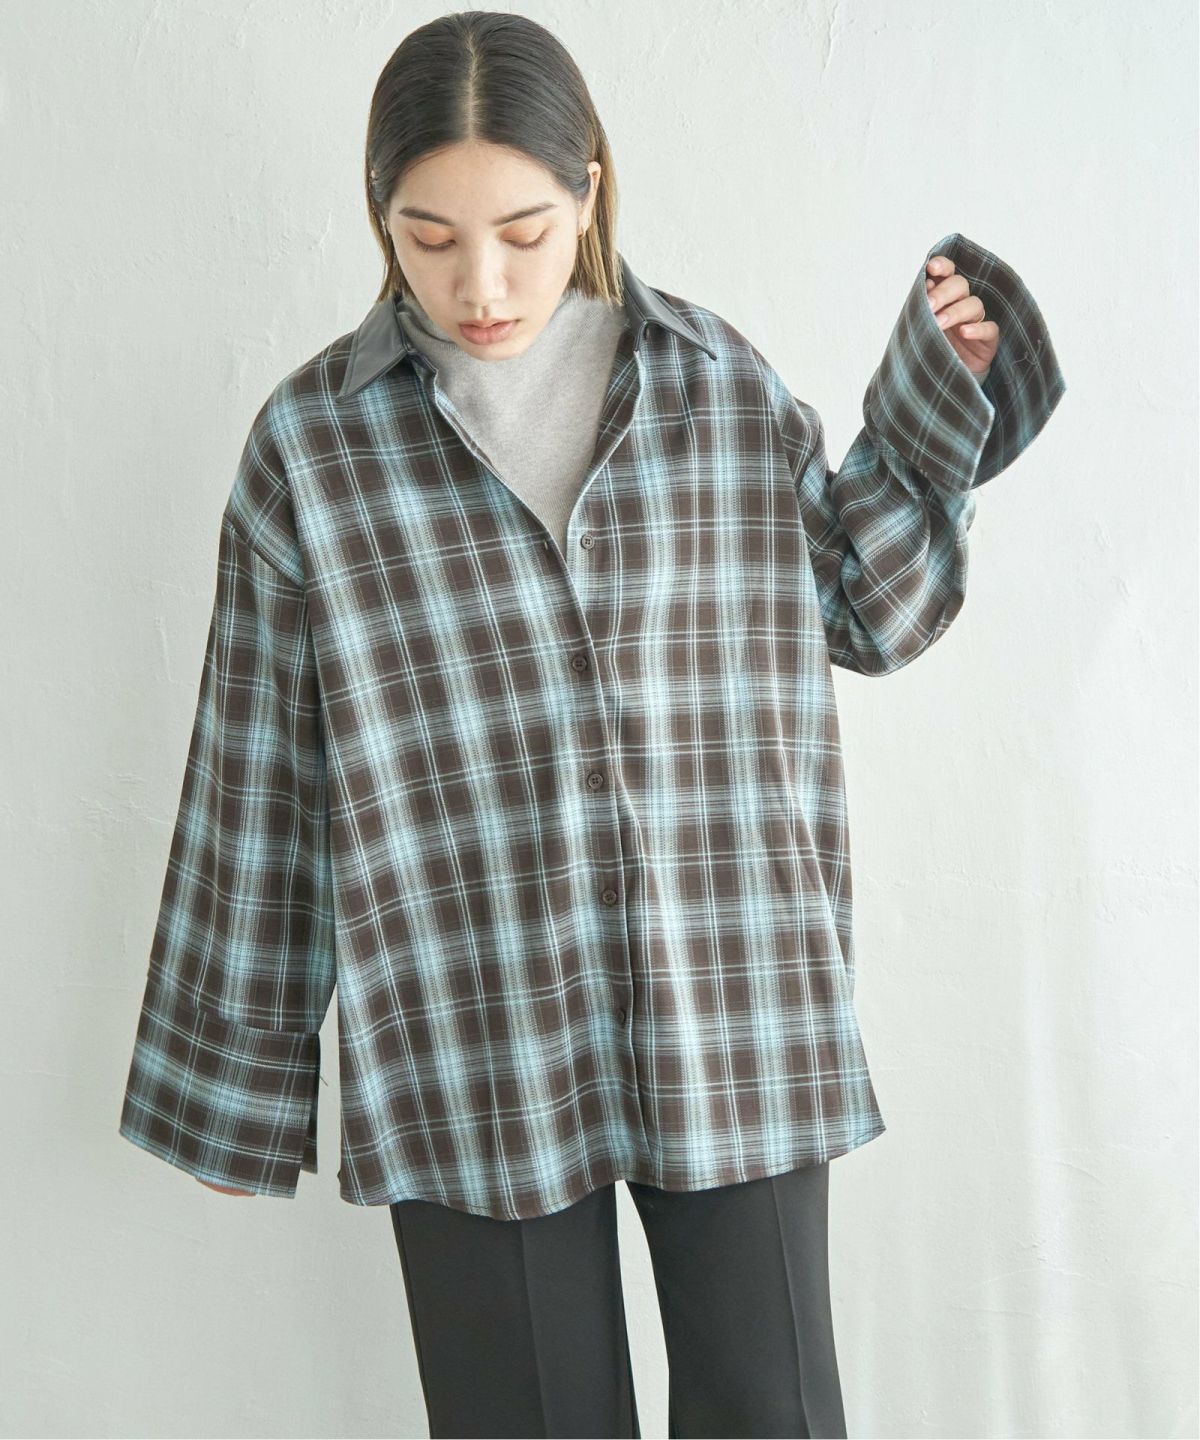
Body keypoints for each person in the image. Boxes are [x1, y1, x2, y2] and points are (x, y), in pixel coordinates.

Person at [118, 10, 1065, 1438]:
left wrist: (938, 397)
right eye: (429, 238)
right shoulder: (312, 451)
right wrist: (232, 1083)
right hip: (467, 1021)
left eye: (524, 231)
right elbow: (260, 777)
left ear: (591, 192)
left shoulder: (716, 385)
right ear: (380, 216)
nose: (481, 283)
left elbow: (870, 608)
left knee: (772, 1412)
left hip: (735, 993)